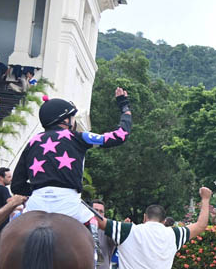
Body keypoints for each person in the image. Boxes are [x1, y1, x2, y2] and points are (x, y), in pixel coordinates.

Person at [11, 88, 132, 253]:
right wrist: (124, 107)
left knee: (12, 229)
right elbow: (120, 135)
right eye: (72, 117)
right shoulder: (78, 137)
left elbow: (16, 185)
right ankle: (95, 258)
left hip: (36, 203)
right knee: (93, 228)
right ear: (64, 120)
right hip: (69, 203)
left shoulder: (32, 142)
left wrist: (40, 188)